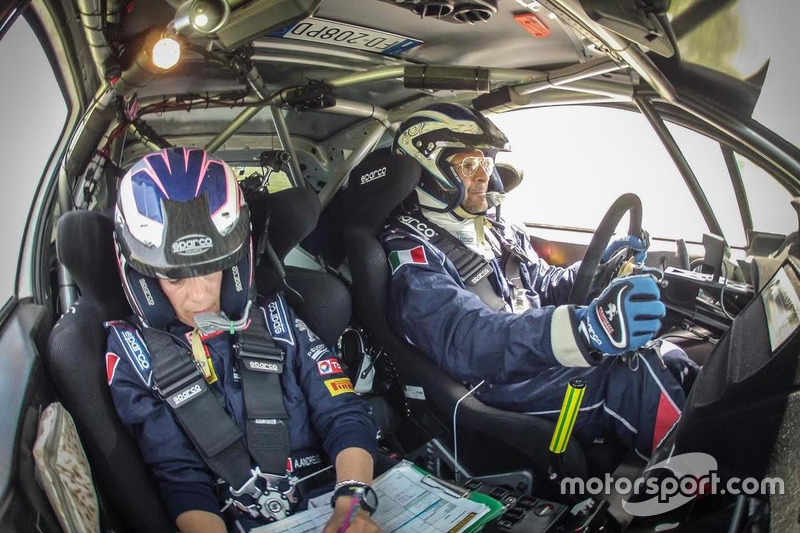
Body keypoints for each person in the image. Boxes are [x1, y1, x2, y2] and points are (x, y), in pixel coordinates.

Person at [382, 103, 699, 459]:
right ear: (429, 168)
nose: (484, 175)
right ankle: (698, 489)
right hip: (499, 386)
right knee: (633, 375)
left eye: (485, 163)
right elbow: (467, 339)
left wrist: (600, 268)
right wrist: (583, 331)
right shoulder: (412, 251)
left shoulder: (497, 229)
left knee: (667, 354)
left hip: (533, 362)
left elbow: (543, 285)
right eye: (469, 165)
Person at [106, 147, 381, 533]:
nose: (200, 296)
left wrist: (352, 507)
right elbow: (180, 478)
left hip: (335, 496)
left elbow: (343, 413)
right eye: (175, 278)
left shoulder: (275, 318)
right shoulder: (134, 355)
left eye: (212, 270)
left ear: (235, 263)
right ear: (144, 278)